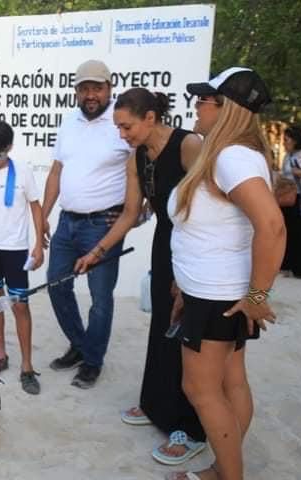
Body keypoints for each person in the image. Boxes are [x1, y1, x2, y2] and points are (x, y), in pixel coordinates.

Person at [75, 88, 206, 464]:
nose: (122, 134)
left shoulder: (189, 146)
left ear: (150, 117)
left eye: (126, 126)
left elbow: (208, 205)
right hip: (166, 244)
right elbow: (131, 214)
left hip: (195, 246)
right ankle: (155, 407)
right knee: (162, 327)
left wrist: (189, 270)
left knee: (186, 336)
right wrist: (96, 252)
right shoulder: (137, 157)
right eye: (118, 127)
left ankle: (190, 429)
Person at [166, 67, 284, 480]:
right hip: (215, 290)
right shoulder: (235, 153)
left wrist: (257, 296)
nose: (196, 106)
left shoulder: (232, 156)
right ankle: (222, 469)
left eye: (204, 100)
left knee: (200, 390)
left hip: (219, 296)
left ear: (226, 108)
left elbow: (272, 226)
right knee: (232, 382)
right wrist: (186, 285)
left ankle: (228, 475)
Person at [41, 59, 132, 389]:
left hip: (103, 226)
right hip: (67, 223)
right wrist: (42, 218)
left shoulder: (122, 123)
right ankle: (81, 345)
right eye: (84, 88)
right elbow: (55, 172)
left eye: (97, 87)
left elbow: (145, 171)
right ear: (76, 92)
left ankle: (93, 361)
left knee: (100, 297)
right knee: (56, 284)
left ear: (110, 88)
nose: (90, 94)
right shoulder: (69, 122)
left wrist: (138, 212)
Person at [0, 120, 44, 395]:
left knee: (20, 306)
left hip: (15, 250)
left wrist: (38, 246)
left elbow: (35, 209)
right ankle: (0, 354)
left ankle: (27, 366)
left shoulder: (23, 172)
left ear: (9, 148)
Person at [279, 125, 301, 279]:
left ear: (295, 140)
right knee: (285, 232)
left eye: (286, 140)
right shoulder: (288, 156)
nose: (284, 143)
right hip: (287, 197)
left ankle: (300, 270)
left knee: (298, 234)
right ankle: (285, 266)